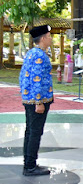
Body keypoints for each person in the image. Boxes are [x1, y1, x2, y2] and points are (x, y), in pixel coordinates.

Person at [19, 25, 53, 176]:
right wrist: (38, 101)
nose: (51, 39)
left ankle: (29, 163)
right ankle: (30, 167)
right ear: (43, 38)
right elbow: (36, 80)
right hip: (37, 101)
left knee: (30, 132)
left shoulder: (31, 53)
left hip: (29, 99)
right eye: (50, 36)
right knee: (35, 133)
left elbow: (22, 77)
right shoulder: (39, 55)